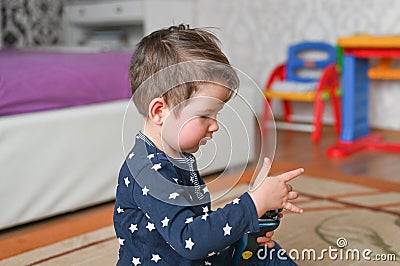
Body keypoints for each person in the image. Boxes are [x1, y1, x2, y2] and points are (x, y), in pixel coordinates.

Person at [113, 24, 303, 265]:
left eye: (216, 115)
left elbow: (196, 222)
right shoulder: (148, 172)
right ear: (160, 111)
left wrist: (248, 219)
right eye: (205, 115)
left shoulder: (177, 156)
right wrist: (252, 204)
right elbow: (190, 238)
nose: (215, 126)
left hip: (196, 255)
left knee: (264, 252)